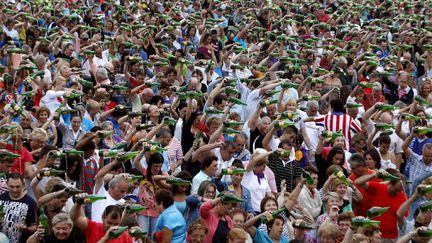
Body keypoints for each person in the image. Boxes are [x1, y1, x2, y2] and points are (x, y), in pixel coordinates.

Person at [355, 169, 408, 241]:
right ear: (390, 183)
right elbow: (358, 182)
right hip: (373, 236)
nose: (398, 193)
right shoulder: (379, 188)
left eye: (400, 190)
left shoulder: (403, 197)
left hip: (392, 238)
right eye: (396, 190)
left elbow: (404, 219)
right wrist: (374, 174)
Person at [0, 173, 37, 243]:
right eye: (11, 186)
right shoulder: (1, 198)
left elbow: (35, 226)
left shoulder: (31, 203)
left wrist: (26, 229)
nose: (14, 190)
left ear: (23, 185)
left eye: (18, 187)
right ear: (7, 184)